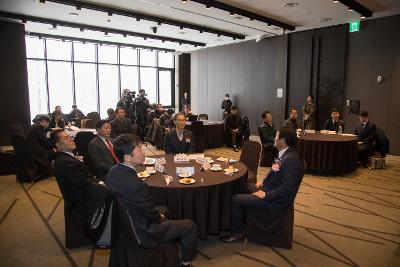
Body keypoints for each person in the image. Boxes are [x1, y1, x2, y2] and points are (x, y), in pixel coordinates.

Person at [106, 134, 197, 266]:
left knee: (164, 209)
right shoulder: (138, 185)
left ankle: (170, 249)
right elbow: (150, 213)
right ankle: (185, 263)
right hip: (142, 232)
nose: (144, 152)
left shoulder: (112, 172)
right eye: (139, 149)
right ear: (127, 157)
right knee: (189, 225)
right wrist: (159, 217)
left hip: (122, 226)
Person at [219, 127, 304, 243]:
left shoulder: (290, 160)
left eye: (276, 136)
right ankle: (238, 221)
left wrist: (265, 195)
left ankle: (237, 234)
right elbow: (276, 171)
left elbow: (287, 188)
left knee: (236, 199)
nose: (274, 139)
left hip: (275, 201)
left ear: (283, 141)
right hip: (269, 188)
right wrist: (263, 182)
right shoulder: (285, 153)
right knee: (240, 186)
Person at [51, 130, 100, 210]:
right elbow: (85, 183)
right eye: (66, 138)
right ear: (58, 144)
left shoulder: (65, 157)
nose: (71, 139)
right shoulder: (66, 162)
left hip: (79, 192)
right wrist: (101, 183)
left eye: (71, 137)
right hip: (81, 201)